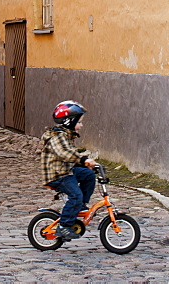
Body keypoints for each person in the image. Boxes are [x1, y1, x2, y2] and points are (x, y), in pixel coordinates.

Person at [40, 100, 98, 241]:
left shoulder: (66, 135)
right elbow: (64, 154)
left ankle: (80, 206)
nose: (81, 126)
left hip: (67, 170)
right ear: (69, 121)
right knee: (75, 195)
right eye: (79, 122)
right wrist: (83, 160)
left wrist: (86, 165)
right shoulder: (57, 137)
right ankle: (63, 226)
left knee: (89, 175)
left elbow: (71, 156)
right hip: (58, 174)